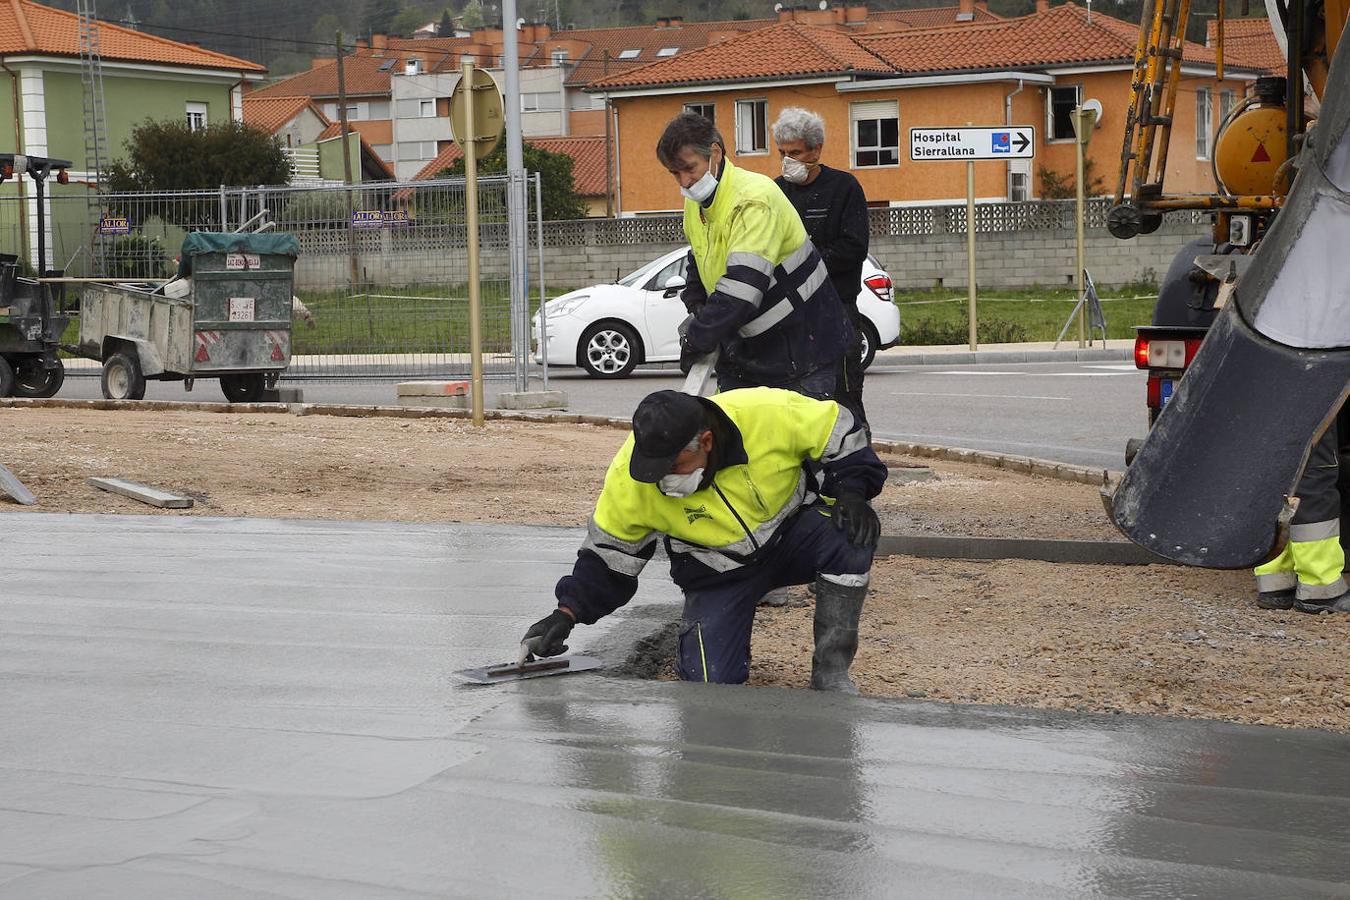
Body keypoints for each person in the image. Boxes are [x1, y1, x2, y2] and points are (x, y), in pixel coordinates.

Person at [520, 387, 886, 692]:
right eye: (654, 471)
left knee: (850, 535)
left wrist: (852, 490)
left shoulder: (764, 414)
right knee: (708, 687)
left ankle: (831, 673)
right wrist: (566, 613)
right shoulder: (629, 481)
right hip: (719, 572)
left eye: (674, 467)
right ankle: (724, 633)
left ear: (706, 441)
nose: (664, 481)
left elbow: (839, 428)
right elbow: (609, 556)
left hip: (793, 537)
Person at [656, 113, 852, 399]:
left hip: (803, 348)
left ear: (714, 153)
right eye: (675, 173)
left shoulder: (753, 199)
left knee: (809, 440)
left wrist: (700, 334)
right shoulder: (696, 205)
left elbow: (743, 287)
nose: (684, 181)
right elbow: (700, 258)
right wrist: (697, 303)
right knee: (743, 438)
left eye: (689, 168)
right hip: (751, 350)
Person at [772, 106, 873, 429]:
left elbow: (853, 248)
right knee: (793, 402)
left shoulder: (844, 188)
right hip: (788, 318)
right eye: (782, 153)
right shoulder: (773, 192)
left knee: (844, 395)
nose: (789, 160)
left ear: (816, 150)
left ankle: (857, 464)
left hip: (836, 311)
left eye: (796, 153)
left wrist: (805, 264)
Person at [1255, 412, 1348, 613]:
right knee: (1315, 471)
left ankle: (1276, 583)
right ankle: (1321, 586)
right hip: (1312, 386)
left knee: (1278, 468)